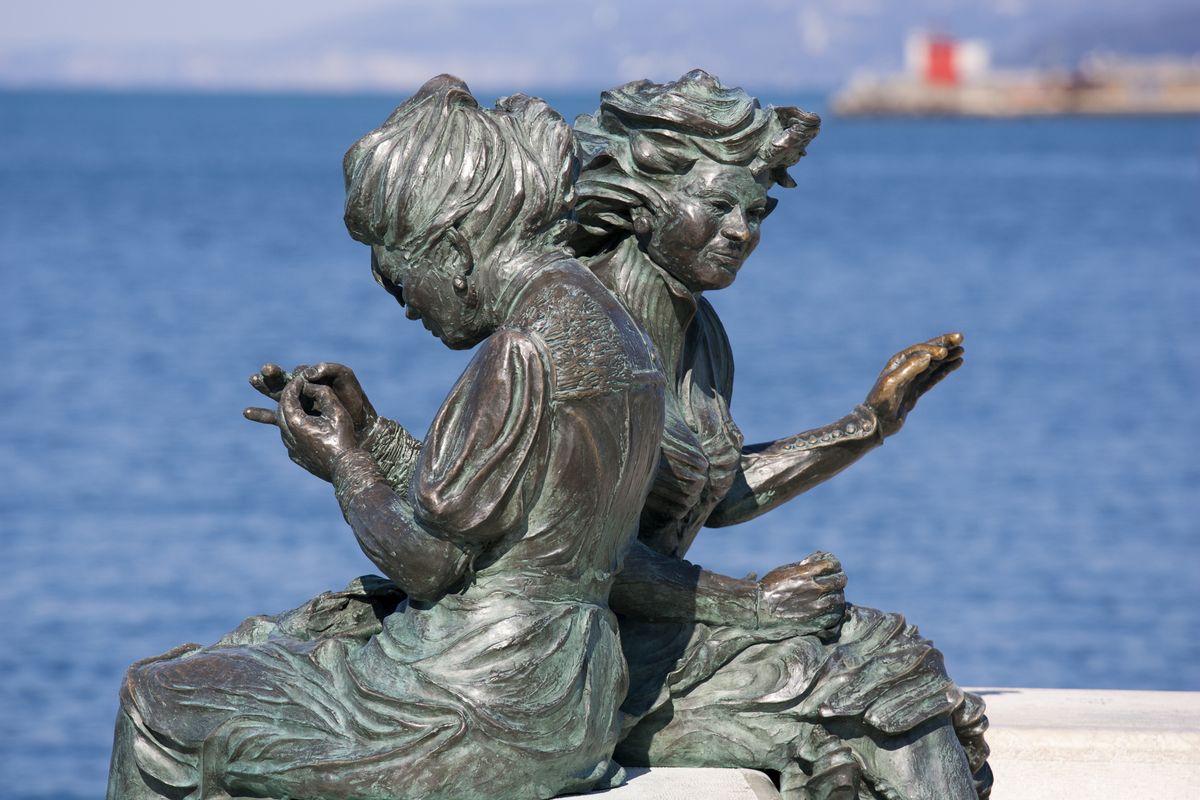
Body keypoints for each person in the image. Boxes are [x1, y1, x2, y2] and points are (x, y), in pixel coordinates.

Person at [108, 76, 672, 800]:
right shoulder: (618, 336)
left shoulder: (519, 352)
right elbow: (510, 515)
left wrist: (345, 466)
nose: (408, 311)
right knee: (257, 644)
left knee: (156, 701)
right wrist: (370, 433)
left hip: (474, 700)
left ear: (456, 249)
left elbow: (430, 563)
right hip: (569, 692)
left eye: (402, 281)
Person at [568, 70, 992, 799]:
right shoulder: (582, 336)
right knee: (877, 679)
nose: (743, 231)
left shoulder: (701, 336)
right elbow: (583, 554)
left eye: (756, 211)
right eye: (719, 204)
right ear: (643, 202)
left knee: (891, 657)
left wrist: (869, 424)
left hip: (656, 626)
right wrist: (753, 602)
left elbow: (710, 495)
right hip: (585, 660)